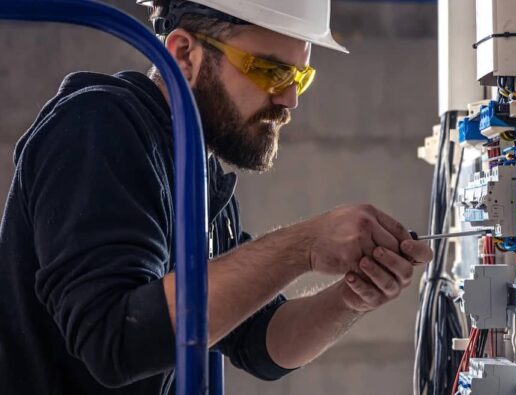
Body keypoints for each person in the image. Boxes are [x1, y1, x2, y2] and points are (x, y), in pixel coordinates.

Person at [0, 0, 432, 393]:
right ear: (184, 54)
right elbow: (117, 342)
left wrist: (351, 297)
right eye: (269, 70)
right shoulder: (97, 129)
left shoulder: (195, 169)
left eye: (300, 75)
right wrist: (304, 245)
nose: (290, 99)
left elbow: (261, 342)